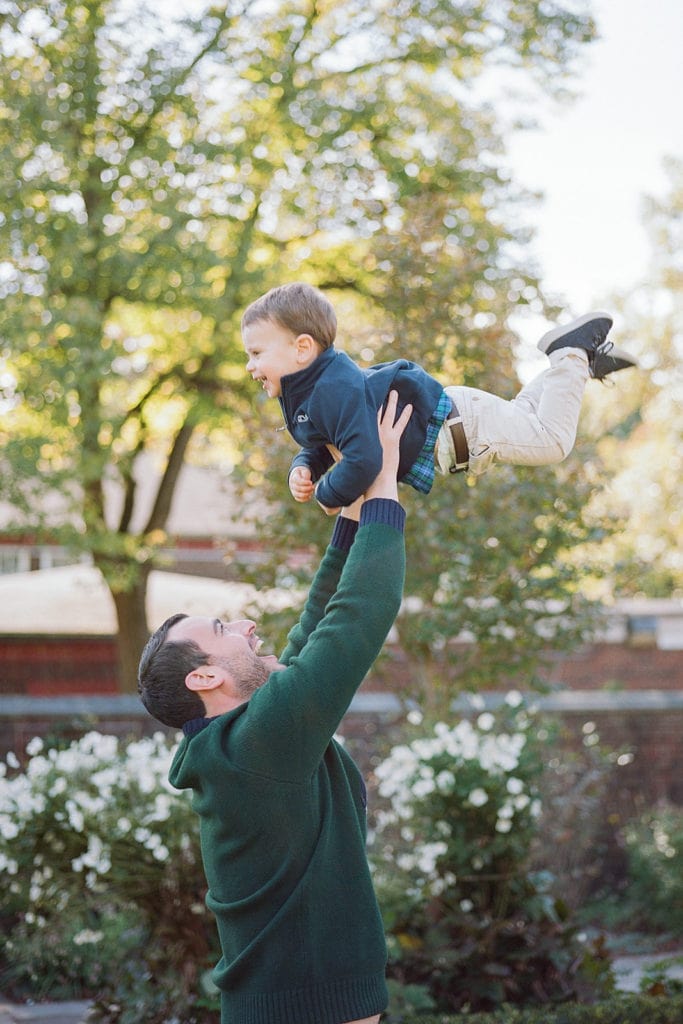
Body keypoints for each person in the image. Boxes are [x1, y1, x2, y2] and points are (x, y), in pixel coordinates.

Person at [138, 391, 412, 1024]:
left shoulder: (239, 741)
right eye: (222, 627)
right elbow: (356, 619)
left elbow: (310, 637)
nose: (247, 623)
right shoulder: (259, 742)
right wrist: (386, 487)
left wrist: (347, 514)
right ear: (206, 675)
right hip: (310, 1008)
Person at [241, 281, 637, 514]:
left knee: (552, 441)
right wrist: (304, 467)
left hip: (464, 428)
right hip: (462, 422)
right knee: (529, 415)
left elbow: (363, 458)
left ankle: (571, 355)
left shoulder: (332, 388)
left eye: (257, 353)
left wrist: (329, 495)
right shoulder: (313, 391)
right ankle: (577, 365)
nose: (249, 366)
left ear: (302, 348)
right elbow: (329, 441)